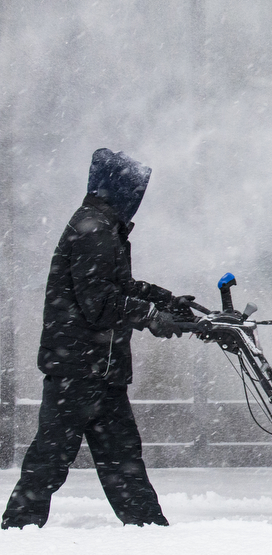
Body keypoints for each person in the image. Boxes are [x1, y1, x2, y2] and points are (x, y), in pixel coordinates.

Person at [2, 149, 189, 529]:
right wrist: (151, 317)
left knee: (121, 460)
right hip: (79, 370)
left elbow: (118, 286)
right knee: (53, 458)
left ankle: (148, 529)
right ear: (119, 191)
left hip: (96, 370)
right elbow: (99, 303)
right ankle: (19, 529)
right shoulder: (95, 231)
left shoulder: (102, 227)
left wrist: (164, 299)